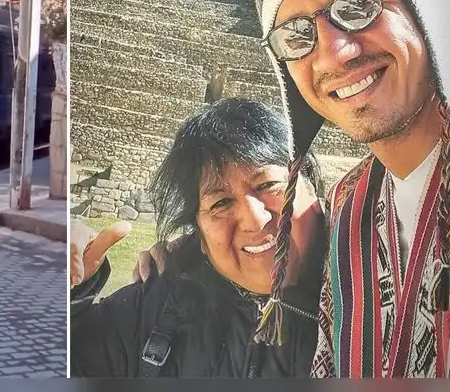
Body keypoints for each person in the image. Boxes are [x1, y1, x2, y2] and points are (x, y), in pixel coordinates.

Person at [138, 0, 450, 378]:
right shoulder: (352, 212)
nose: (334, 52)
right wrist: (189, 253)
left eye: (358, 5)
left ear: (424, 6)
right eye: (297, 35)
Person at [70, 98, 327, 377]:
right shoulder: (158, 308)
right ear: (200, 237)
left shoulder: (370, 300)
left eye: (268, 185)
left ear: (313, 190)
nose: (255, 220)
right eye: (221, 203)